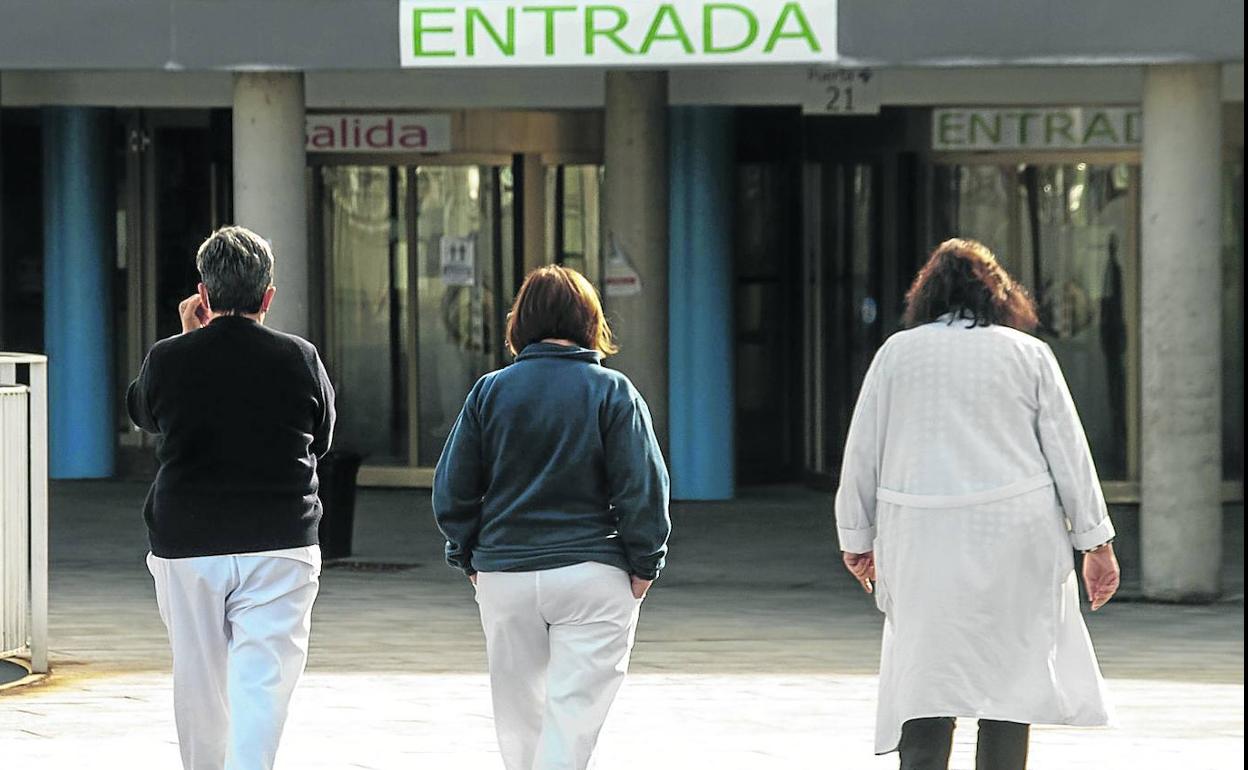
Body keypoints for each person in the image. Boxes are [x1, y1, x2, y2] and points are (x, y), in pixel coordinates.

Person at [835, 238, 1121, 770]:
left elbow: (862, 451)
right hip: (1016, 533)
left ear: (926, 293)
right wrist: (1095, 543)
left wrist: (856, 536)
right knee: (1011, 674)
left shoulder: (897, 353)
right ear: (1000, 293)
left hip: (920, 534)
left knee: (924, 671)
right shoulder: (1028, 354)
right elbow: (1069, 454)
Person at [433, 265, 671, 770]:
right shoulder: (614, 391)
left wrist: (467, 555)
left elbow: (452, 490)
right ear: (591, 320)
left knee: (519, 723)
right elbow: (644, 489)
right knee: (572, 722)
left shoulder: (488, 391)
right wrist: (645, 564)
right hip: (593, 572)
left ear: (520, 322)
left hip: (504, 575)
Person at [127, 225, 336, 770]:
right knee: (264, 681)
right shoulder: (300, 357)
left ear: (203, 292)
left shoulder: (168, 358)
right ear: (268, 296)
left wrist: (185, 336)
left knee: (198, 679)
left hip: (187, 541)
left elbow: (143, 412)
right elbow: (323, 436)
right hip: (281, 539)